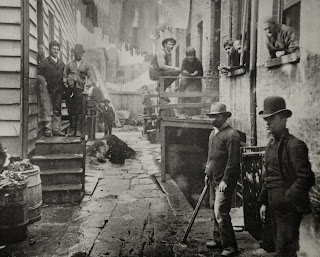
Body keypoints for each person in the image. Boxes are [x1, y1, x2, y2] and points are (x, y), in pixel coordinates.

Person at [258, 96, 315, 257]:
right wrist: (263, 201)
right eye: (266, 119)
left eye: (272, 118)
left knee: (285, 251)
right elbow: (268, 176)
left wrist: (287, 198)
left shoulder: (295, 145)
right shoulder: (270, 145)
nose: (267, 123)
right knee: (278, 249)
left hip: (288, 211)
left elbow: (306, 178)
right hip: (272, 208)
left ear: (284, 119)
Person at [204, 102, 240, 257]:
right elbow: (211, 157)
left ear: (224, 116)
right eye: (212, 116)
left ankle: (230, 246)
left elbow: (233, 161)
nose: (213, 119)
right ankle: (218, 240)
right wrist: (207, 173)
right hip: (213, 178)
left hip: (224, 181)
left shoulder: (232, 135)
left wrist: (226, 180)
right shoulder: (213, 134)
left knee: (221, 212)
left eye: (217, 116)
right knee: (214, 209)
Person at [64, 44, 93, 137]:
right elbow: (64, 75)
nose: (78, 54)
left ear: (82, 53)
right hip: (70, 90)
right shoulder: (69, 64)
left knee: (80, 110)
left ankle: (78, 130)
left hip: (80, 90)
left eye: (79, 53)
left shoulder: (86, 65)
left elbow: (90, 78)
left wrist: (87, 87)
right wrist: (65, 83)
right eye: (76, 53)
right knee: (71, 110)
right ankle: (72, 130)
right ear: (74, 53)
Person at [39, 41, 66, 136]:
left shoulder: (61, 63)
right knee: (47, 109)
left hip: (58, 90)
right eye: (54, 49)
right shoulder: (45, 62)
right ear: (50, 49)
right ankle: (48, 129)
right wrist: (44, 82)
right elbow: (40, 75)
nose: (56, 51)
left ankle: (56, 129)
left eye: (57, 49)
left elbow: (64, 76)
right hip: (48, 89)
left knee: (57, 109)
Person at [180, 47, 203, 116]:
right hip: (186, 82)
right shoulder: (184, 61)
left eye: (192, 55)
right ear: (186, 56)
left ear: (194, 55)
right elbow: (182, 71)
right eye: (188, 56)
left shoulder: (198, 62)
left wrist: (195, 75)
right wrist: (190, 74)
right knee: (185, 96)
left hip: (195, 83)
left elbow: (201, 73)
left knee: (194, 98)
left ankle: (195, 115)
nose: (190, 57)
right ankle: (184, 114)